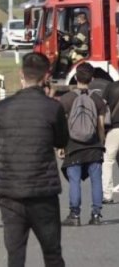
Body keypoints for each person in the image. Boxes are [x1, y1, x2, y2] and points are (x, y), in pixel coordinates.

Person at [0, 52, 68, 267]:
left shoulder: (1, 109)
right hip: (43, 193)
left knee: (15, 256)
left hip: (11, 195)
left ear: (21, 74)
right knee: (52, 253)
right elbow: (61, 141)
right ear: (46, 77)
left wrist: (3, 183)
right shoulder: (53, 108)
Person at [59, 62, 105, 226]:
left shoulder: (66, 99)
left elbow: (62, 125)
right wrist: (101, 144)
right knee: (96, 181)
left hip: (73, 147)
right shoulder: (97, 99)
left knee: (74, 181)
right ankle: (96, 215)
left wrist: (61, 146)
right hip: (94, 147)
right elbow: (100, 127)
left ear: (76, 78)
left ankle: (75, 215)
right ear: (92, 78)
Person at [102, 80, 119, 204]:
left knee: (108, 160)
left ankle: (107, 195)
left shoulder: (111, 86)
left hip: (115, 129)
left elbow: (103, 106)